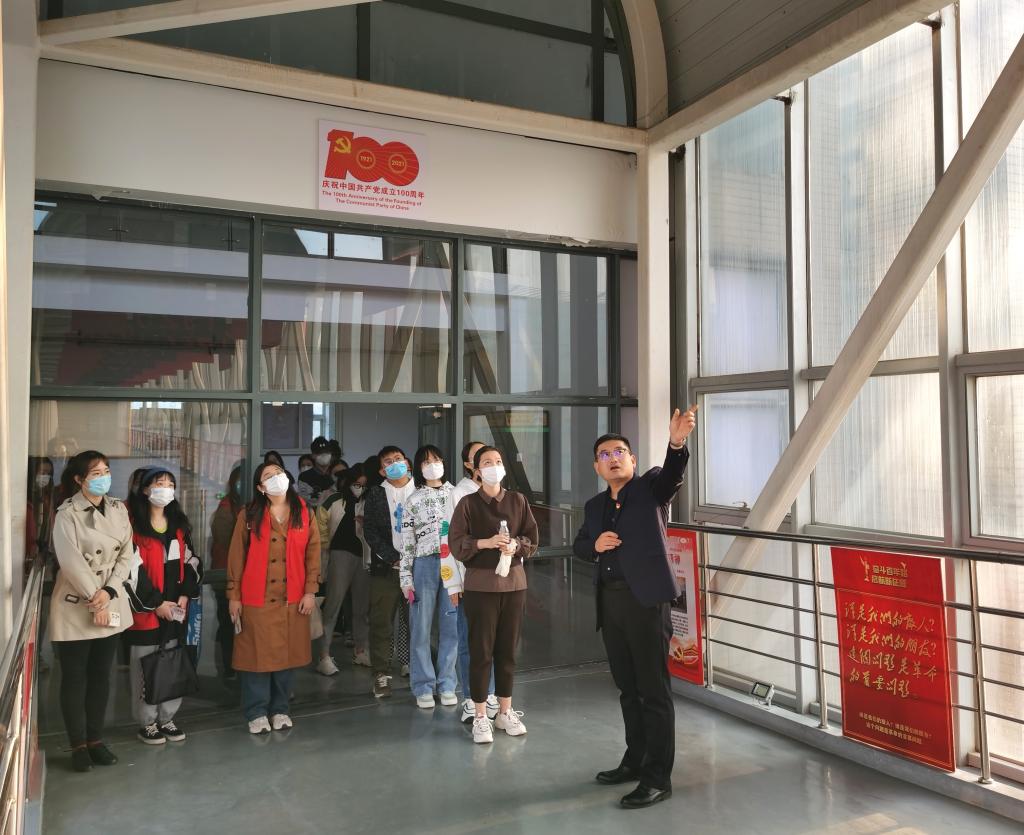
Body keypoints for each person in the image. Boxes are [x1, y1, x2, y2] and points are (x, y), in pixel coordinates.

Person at [572, 407, 697, 810]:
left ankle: (658, 777)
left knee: (653, 691)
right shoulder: (594, 506)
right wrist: (594, 546)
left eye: (619, 452)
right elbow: (579, 545)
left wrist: (676, 442)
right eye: (604, 455)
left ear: (632, 459)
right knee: (627, 688)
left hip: (645, 603)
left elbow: (673, 474)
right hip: (610, 603)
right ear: (597, 466)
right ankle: (635, 760)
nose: (613, 459)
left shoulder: (650, 489)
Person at [49, 450, 135, 772]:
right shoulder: (67, 513)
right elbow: (70, 562)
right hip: (77, 603)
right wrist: (94, 598)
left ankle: (96, 740)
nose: (104, 478)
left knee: (101, 675)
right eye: (96, 473)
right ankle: (78, 745)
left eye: (106, 471)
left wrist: (109, 592)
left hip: (110, 597)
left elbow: (126, 554)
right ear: (79, 479)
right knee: (75, 678)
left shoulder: (118, 509)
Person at [448, 446, 538, 744]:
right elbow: (456, 543)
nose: (494, 466)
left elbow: (531, 538)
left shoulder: (517, 500)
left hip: (514, 584)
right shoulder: (468, 503)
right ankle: (479, 715)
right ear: (476, 470)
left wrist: (516, 545)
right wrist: (484, 543)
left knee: (507, 651)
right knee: (481, 651)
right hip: (480, 586)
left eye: (498, 461)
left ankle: (505, 711)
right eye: (487, 462)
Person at [226, 463, 320, 734]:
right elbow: (236, 556)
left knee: (286, 658)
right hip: (257, 598)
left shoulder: (304, 511)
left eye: (278, 473)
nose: (276, 478)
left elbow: (313, 553)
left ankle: (280, 709)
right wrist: (234, 595)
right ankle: (256, 712)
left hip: (293, 598)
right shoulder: (249, 514)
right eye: (268, 476)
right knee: (256, 658)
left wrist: (310, 591)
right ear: (260, 487)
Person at [125, 468, 203, 745]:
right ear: (146, 489)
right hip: (147, 612)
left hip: (175, 610)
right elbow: (130, 569)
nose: (166, 488)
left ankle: (167, 718)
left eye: (170, 484)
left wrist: (185, 594)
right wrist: (156, 603)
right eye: (160, 483)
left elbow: (191, 561)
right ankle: (147, 722)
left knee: (172, 663)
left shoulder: (178, 525)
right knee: (145, 667)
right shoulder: (132, 525)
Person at [440, 440, 499, 723]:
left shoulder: (503, 495)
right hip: (468, 582)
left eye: (495, 460)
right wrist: (453, 584)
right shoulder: (458, 495)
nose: (491, 465)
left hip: (498, 582)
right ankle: (471, 699)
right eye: (482, 458)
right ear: (469, 465)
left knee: (496, 642)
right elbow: (447, 542)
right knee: (469, 643)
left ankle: (493, 695)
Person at [400, 446, 459, 709]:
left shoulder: (456, 495)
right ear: (418, 468)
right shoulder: (412, 500)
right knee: (420, 627)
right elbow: (407, 542)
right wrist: (405, 576)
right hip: (423, 564)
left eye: (436, 459)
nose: (432, 465)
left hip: (452, 564)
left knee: (451, 626)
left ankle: (447, 683)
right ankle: (423, 685)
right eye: (426, 462)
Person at [363, 445, 416, 699]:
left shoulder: (421, 490)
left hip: (418, 569)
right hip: (386, 569)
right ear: (382, 471)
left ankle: (417, 669)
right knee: (381, 622)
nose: (395, 464)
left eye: (398, 459)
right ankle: (381, 674)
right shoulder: (375, 494)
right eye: (388, 462)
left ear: (406, 462)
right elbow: (370, 531)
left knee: (417, 621)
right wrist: (394, 557)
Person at [313, 464, 371, 674]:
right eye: (356, 484)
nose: (359, 488)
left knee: (362, 608)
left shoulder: (370, 501)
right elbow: (319, 526)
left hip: (364, 557)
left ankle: (361, 650)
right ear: (348, 482)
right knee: (333, 605)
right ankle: (324, 655)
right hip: (339, 554)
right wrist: (324, 549)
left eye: (363, 485)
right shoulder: (334, 500)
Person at [210, 464, 245, 680]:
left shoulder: (251, 506)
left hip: (241, 577)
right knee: (228, 623)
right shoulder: (226, 508)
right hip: (225, 575)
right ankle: (230, 667)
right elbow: (225, 540)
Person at [297, 436, 336, 505]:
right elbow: (305, 501)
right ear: (313, 455)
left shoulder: (336, 473)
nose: (324, 455)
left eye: (326, 452)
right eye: (319, 453)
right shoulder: (304, 477)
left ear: (331, 454)